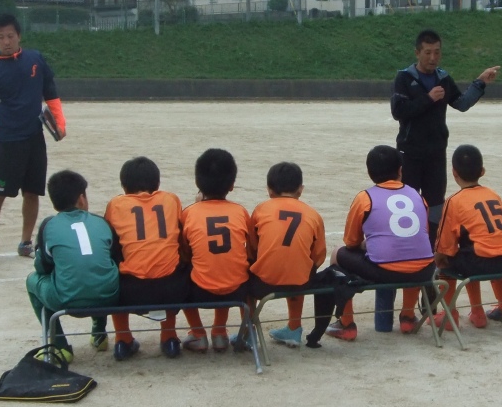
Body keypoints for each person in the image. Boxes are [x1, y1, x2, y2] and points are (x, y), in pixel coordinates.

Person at [390, 28, 500, 244]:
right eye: (428, 52)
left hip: (436, 152)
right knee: (406, 202)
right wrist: (428, 98)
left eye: (437, 52)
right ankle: (406, 246)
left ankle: (432, 246)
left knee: (436, 204)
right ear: (417, 53)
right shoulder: (404, 78)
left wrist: (480, 83)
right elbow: (398, 111)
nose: (433, 58)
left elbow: (461, 103)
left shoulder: (443, 78)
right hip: (409, 152)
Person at [0, 14, 66, 264]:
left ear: (19, 36)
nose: (6, 41)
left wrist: (60, 123)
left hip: (35, 137)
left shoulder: (35, 59)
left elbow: (50, 91)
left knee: (32, 192)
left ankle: (26, 242)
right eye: (0, 37)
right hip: (6, 141)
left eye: (10, 36)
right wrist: (0, 131)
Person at [326, 145, 436, 341]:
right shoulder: (416, 195)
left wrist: (366, 245)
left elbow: (351, 242)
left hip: (385, 272)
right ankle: (408, 316)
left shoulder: (364, 197)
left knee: (337, 254)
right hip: (425, 270)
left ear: (370, 172)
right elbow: (420, 235)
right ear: (400, 171)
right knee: (412, 255)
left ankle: (346, 323)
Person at [25, 170, 120, 362]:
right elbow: (115, 258)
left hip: (66, 300)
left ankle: (60, 345)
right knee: (98, 271)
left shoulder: (49, 225)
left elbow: (42, 267)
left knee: (32, 281)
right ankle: (99, 333)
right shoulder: (101, 222)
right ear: (81, 199)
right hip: (109, 296)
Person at [102, 156, 187, 361]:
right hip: (171, 290)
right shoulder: (171, 199)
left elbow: (110, 242)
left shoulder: (116, 204)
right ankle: (169, 336)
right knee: (174, 260)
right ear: (157, 184)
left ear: (124, 187)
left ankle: (123, 339)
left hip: (131, 291)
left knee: (115, 263)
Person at [247, 162, 334, 350]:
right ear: (300, 189)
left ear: (269, 190)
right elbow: (319, 255)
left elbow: (252, 248)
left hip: (263, 283)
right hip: (301, 283)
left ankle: (248, 331)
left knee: (245, 274)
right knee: (300, 265)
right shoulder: (313, 214)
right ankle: (294, 328)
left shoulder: (261, 209)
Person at [178, 148, 256, 352]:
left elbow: (185, 253)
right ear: (231, 185)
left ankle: (198, 333)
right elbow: (250, 251)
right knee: (230, 265)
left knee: (181, 272)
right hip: (237, 291)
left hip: (199, 292)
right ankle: (219, 331)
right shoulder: (240, 211)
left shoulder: (188, 213)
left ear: (198, 183)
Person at [434, 144, 502, 329]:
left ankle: (451, 314)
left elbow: (445, 245)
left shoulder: (454, 201)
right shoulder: (493, 194)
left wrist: (439, 259)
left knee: (448, 260)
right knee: (476, 249)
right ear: (482, 171)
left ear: (454, 172)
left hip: (479, 262)